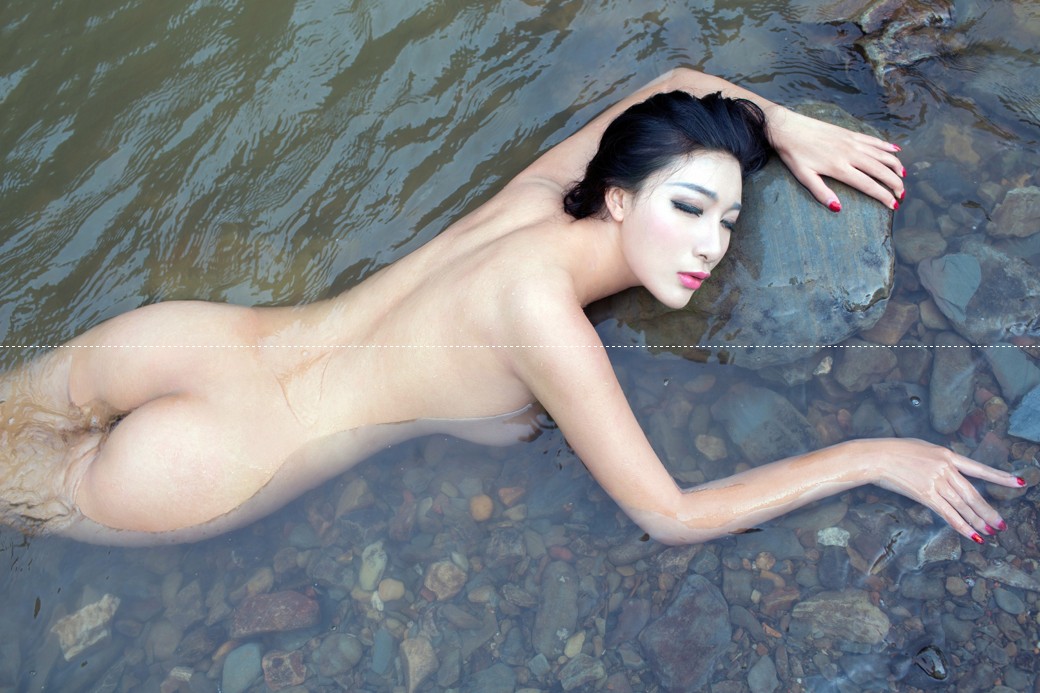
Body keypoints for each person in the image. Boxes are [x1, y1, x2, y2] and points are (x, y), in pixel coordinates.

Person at [0, 67, 1021, 547]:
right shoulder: (545, 324)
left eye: (726, 217)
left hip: (187, 340)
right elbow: (669, 515)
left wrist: (775, 124)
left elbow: (670, 83)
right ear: (618, 197)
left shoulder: (532, 200)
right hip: (216, 458)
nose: (710, 244)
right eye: (688, 207)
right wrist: (875, 456)